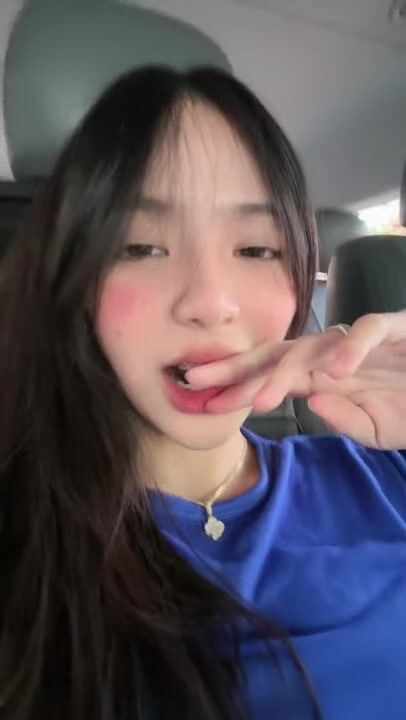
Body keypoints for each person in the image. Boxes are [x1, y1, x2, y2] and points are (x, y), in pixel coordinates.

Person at [0, 66, 405, 720]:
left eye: (257, 249)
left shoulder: (386, 472)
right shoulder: (26, 535)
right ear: (77, 283)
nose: (210, 303)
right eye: (141, 246)